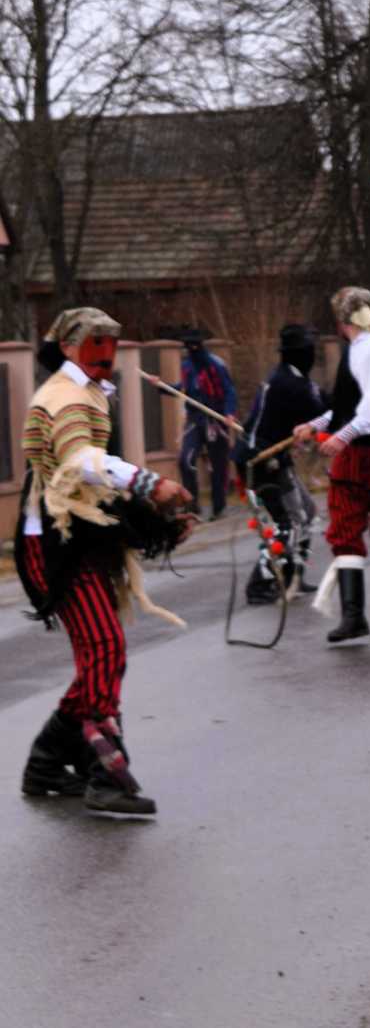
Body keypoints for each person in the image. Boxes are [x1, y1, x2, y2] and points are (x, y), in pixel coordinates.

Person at [16, 308, 195, 816]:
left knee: (102, 649)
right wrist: (148, 484)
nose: (106, 352)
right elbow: (80, 462)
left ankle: (48, 761)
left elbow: (91, 479)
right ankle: (105, 770)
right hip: (53, 538)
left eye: (111, 342)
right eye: (95, 342)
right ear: (70, 345)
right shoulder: (64, 396)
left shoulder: (87, 389)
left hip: (72, 530)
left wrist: (152, 518)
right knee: (103, 644)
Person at [294, 286, 370, 644]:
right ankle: (354, 616)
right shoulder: (357, 349)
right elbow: (350, 405)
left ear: (344, 319)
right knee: (344, 528)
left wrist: (345, 435)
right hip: (351, 455)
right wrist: (319, 425)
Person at [234, 325, 326, 603]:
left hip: (275, 457)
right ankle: (260, 584)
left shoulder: (285, 377)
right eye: (307, 351)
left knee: (307, 513)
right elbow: (321, 410)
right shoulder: (289, 383)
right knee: (286, 523)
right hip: (260, 462)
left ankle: (294, 576)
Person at [173, 329, 237, 521]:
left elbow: (229, 390)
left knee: (218, 466)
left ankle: (219, 507)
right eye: (189, 347)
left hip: (216, 418)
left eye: (195, 346)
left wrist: (229, 413)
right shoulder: (186, 367)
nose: (192, 350)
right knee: (185, 460)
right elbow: (185, 389)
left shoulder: (216, 365)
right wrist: (162, 386)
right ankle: (192, 506)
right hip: (195, 419)